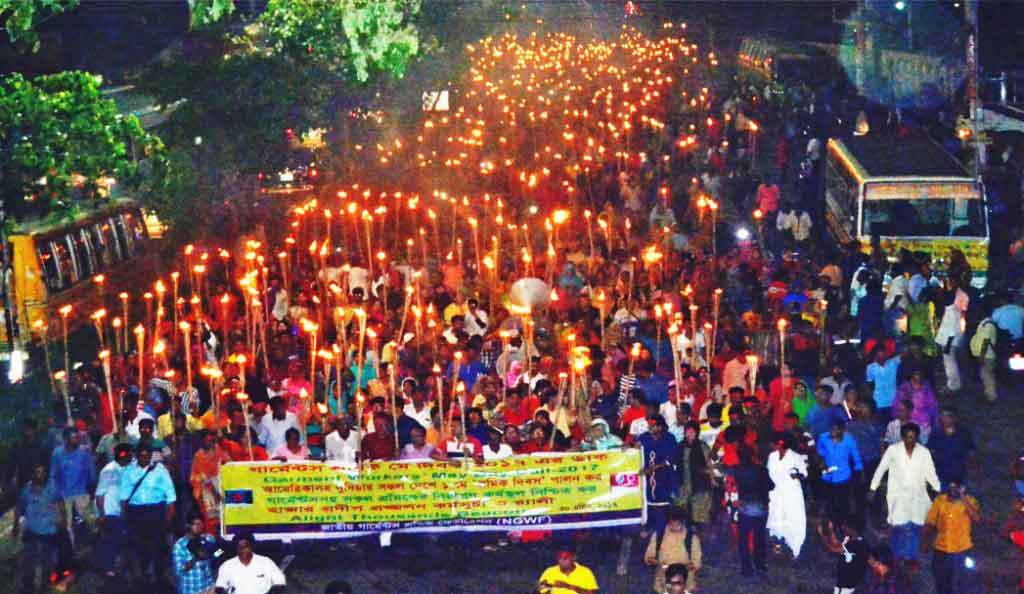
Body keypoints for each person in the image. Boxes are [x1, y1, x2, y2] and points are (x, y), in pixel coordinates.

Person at [869, 423, 940, 568]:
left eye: (913, 437)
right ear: (902, 437)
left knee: (915, 526)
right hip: (898, 496)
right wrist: (873, 488)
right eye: (907, 437)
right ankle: (896, 555)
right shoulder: (893, 451)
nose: (910, 440)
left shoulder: (923, 452)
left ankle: (911, 558)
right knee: (898, 526)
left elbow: (930, 472)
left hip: (917, 496)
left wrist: (937, 488)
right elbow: (881, 469)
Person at [119, 443, 177, 584]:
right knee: (138, 544)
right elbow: (124, 496)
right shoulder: (128, 471)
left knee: (157, 543)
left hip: (155, 511)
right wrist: (125, 516)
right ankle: (141, 574)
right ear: (136, 456)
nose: (144, 459)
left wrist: (169, 517)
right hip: (136, 512)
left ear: (151, 456)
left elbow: (170, 495)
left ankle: (158, 573)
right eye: (141, 456)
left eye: (147, 456)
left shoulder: (160, 470)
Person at [922, 481, 981, 594]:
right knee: (942, 583)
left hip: (962, 549)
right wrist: (924, 542)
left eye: (956, 487)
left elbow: (976, 518)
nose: (953, 490)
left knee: (963, 583)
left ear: (962, 488)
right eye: (951, 487)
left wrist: (963, 499)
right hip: (941, 549)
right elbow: (930, 522)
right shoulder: (940, 501)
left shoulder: (970, 500)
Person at [12, 462, 62, 594]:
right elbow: (19, 508)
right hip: (31, 531)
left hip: (49, 532)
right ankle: (27, 586)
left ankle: (44, 587)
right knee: (28, 561)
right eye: (37, 472)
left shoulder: (53, 486)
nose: (40, 475)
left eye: (43, 472)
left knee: (47, 562)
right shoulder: (26, 490)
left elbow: (60, 504)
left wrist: (61, 522)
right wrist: (16, 525)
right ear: (33, 474)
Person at [49, 426, 97, 545]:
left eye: (77, 437)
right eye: (73, 438)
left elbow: (91, 473)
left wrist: (91, 491)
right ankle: (72, 551)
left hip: (81, 493)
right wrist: (56, 496)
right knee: (67, 526)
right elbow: (53, 475)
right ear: (66, 439)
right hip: (64, 495)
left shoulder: (83, 453)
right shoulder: (57, 454)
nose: (76, 440)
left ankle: (89, 547)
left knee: (87, 522)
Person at [733, 444, 773, 577]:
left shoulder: (737, 470)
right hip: (761, 508)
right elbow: (771, 486)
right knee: (759, 537)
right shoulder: (761, 469)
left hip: (745, 509)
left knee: (743, 539)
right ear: (752, 456)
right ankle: (760, 565)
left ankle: (746, 568)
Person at [766, 433, 807, 558]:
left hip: (791, 493)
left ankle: (795, 548)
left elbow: (804, 474)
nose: (770, 445)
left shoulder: (796, 457)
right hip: (776, 492)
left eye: (773, 443)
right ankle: (778, 544)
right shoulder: (772, 456)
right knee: (776, 518)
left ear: (780, 443)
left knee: (793, 518)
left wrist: (797, 475)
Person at [95, 443, 133, 577]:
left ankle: (118, 567)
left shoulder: (128, 469)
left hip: (122, 510)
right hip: (110, 511)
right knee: (112, 540)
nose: (131, 456)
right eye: (128, 454)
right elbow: (99, 494)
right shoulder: (109, 470)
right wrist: (101, 515)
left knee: (121, 539)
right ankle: (108, 568)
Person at [817, 419, 863, 527]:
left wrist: (860, 472)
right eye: (831, 429)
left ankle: (843, 524)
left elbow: (856, 457)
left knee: (843, 502)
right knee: (830, 502)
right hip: (827, 476)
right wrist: (821, 463)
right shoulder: (823, 438)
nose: (833, 431)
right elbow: (820, 453)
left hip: (843, 475)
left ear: (842, 429)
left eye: (836, 429)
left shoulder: (849, 439)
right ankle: (832, 525)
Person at [644, 508, 702, 593]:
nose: (675, 528)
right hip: (662, 586)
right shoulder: (659, 536)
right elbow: (648, 558)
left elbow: (697, 563)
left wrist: (682, 570)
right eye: (672, 525)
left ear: (682, 523)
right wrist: (660, 564)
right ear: (668, 522)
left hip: (685, 586)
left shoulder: (692, 538)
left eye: (677, 525)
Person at [214, 531, 286, 594]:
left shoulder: (266, 562)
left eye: (246, 546)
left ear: (251, 547)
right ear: (236, 548)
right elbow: (219, 587)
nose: (243, 550)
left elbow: (280, 582)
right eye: (240, 547)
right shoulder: (227, 565)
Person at [673, 421, 712, 528]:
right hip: (683, 483)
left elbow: (710, 464)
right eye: (687, 432)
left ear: (697, 433)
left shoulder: (703, 446)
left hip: (700, 483)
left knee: (700, 515)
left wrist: (711, 478)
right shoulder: (680, 446)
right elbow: (674, 463)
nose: (689, 434)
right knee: (682, 513)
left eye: (692, 432)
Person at [928, 407, 976, 491]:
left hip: (960, 474)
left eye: (948, 416)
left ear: (954, 418)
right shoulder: (936, 434)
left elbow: (971, 452)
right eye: (942, 416)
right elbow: (931, 452)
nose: (944, 419)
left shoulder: (963, 434)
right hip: (941, 474)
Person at [818, 520, 869, 594]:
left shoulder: (856, 545)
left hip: (847, 588)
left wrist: (822, 535)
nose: (843, 527)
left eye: (846, 526)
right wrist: (831, 530)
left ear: (852, 529)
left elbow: (833, 548)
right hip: (845, 585)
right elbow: (837, 544)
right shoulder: (853, 540)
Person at [172, 513, 218, 594]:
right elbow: (179, 571)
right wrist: (196, 558)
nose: (199, 527)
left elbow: (220, 552)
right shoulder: (179, 545)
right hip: (190, 590)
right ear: (188, 525)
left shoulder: (209, 538)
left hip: (209, 588)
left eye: (201, 524)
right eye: (196, 524)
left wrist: (212, 555)